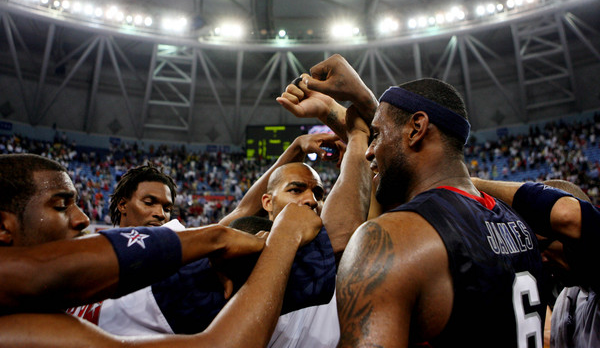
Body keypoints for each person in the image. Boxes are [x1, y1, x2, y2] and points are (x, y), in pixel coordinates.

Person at [305, 54, 548, 347]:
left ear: (417, 128)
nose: (370, 152)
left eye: (378, 135)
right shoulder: (519, 225)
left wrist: (357, 130)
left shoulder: (396, 237)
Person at [0, 153, 324, 347]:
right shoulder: (22, 328)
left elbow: (237, 215)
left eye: (167, 206)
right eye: (60, 205)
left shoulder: (178, 242)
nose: (82, 217)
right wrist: (283, 238)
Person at [70, 157, 339, 336]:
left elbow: (242, 211)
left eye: (166, 207)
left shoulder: (179, 243)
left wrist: (295, 151)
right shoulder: (80, 260)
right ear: (122, 205)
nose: (160, 214)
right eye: (149, 202)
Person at [471, 178, 600, 348]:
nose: (542, 258)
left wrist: (471, 183)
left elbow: (566, 214)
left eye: (544, 245)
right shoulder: (566, 300)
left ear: (572, 233)